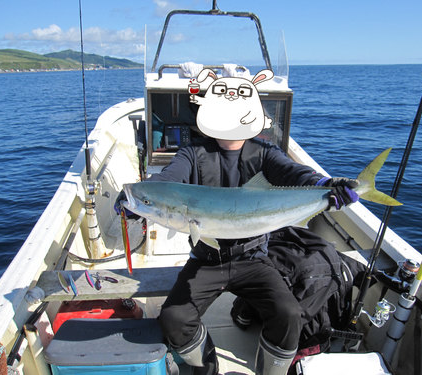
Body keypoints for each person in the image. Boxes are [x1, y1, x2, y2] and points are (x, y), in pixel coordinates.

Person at [142, 135, 359, 375]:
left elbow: (293, 172)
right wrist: (140, 197)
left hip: (253, 258)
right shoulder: (193, 152)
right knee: (174, 318)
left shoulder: (264, 151)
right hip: (207, 260)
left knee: (288, 315)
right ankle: (208, 369)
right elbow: (168, 179)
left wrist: (324, 184)